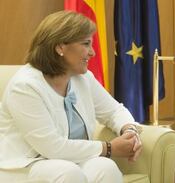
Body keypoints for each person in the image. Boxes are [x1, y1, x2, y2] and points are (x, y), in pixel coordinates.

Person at [0, 11, 143, 183]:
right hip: (24, 166)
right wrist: (110, 148)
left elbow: (114, 111)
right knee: (67, 173)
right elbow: (51, 147)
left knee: (106, 167)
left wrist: (129, 130)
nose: (92, 53)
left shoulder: (83, 78)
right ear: (60, 47)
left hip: (69, 162)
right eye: (86, 44)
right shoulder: (24, 87)